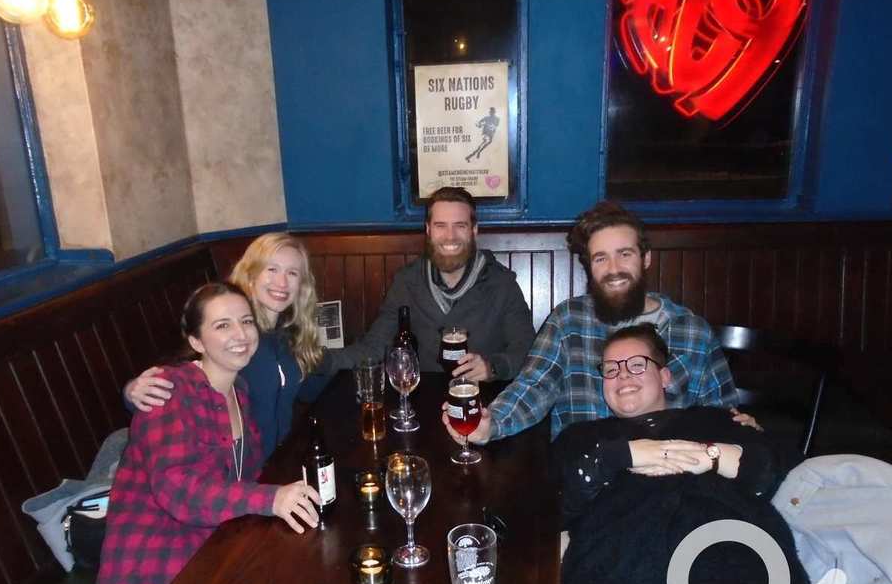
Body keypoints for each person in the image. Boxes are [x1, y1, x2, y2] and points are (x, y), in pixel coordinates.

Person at [554, 324, 811, 584]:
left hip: (730, 563)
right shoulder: (583, 438)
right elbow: (555, 502)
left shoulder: (719, 420)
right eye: (610, 369)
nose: (622, 375)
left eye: (636, 364)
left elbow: (772, 472)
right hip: (609, 575)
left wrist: (706, 455)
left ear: (665, 375)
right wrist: (623, 455)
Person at [94, 282, 321, 584]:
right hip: (155, 575)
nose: (240, 334)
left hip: (216, 542)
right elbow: (178, 491)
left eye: (246, 321)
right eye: (222, 325)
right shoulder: (169, 391)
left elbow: (246, 475)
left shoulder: (238, 391)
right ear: (196, 341)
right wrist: (271, 498)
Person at [448, 199, 740, 443]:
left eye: (624, 255)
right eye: (600, 258)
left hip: (670, 477)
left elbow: (722, 418)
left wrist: (739, 429)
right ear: (589, 266)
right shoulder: (568, 321)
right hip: (586, 474)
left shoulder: (693, 333)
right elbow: (534, 386)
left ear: (646, 259)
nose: (613, 269)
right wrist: (492, 424)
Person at [125, 233, 329, 459]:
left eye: (292, 273)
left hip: (279, 462)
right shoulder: (234, 337)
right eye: (272, 269)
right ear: (251, 274)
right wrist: (133, 391)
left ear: (302, 285)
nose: (282, 282)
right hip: (236, 469)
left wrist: (331, 358)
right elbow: (178, 375)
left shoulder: (290, 333)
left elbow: (309, 389)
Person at [325, 186, 534, 382]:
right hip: (424, 397)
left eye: (460, 226)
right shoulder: (407, 282)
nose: (450, 236)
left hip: (484, 399)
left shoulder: (502, 283)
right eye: (440, 226)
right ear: (428, 230)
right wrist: (319, 360)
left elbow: (526, 347)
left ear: (474, 230)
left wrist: (493, 368)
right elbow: (374, 347)